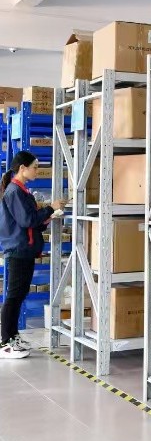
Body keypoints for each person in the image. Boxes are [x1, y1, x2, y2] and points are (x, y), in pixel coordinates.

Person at [0, 151, 65, 359]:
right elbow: (27, 220)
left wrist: (48, 217)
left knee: (19, 294)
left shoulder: (22, 191)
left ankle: (13, 336)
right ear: (22, 168)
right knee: (14, 296)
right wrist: (49, 208)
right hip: (18, 250)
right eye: (35, 167)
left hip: (25, 250)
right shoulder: (14, 192)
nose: (37, 170)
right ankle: (6, 342)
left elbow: (31, 222)